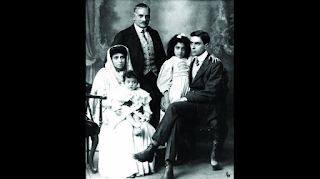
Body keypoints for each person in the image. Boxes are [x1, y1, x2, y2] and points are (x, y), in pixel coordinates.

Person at [133, 30, 227, 179]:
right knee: (175, 120)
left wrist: (187, 98)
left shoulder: (214, 63)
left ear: (206, 45)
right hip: (193, 108)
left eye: (197, 44)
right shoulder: (190, 61)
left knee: (174, 107)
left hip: (207, 108)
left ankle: (152, 147)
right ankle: (169, 167)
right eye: (192, 43)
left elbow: (212, 93)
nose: (193, 47)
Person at [89, 45, 152, 178]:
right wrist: (120, 104)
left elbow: (138, 95)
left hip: (130, 110)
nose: (120, 61)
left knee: (145, 125)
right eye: (116, 58)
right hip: (110, 110)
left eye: (122, 57)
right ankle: (127, 169)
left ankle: (142, 167)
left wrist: (137, 107)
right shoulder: (104, 73)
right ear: (111, 59)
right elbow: (101, 100)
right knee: (125, 127)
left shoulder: (130, 74)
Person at [111, 3, 166, 129]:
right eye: (140, 16)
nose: (144, 19)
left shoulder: (154, 34)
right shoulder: (124, 35)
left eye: (147, 16)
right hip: (135, 81)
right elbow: (113, 58)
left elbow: (162, 58)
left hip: (155, 79)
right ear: (133, 16)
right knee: (139, 112)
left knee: (155, 106)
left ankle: (153, 141)